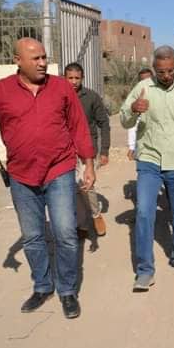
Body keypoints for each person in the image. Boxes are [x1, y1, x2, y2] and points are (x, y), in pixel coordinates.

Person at [0, 38, 95, 319]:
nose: (43, 63)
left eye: (44, 57)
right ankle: (42, 286)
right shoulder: (1, 91)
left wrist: (88, 163)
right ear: (17, 60)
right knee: (32, 236)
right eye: (36, 58)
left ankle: (67, 290)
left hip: (59, 170)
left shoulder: (61, 88)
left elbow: (78, 127)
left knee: (66, 233)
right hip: (22, 176)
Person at [120, 45, 174, 292]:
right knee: (144, 213)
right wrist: (133, 110)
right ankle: (145, 270)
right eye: (161, 72)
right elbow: (124, 119)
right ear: (154, 68)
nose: (166, 76)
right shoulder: (143, 88)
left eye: (170, 71)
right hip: (150, 161)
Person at [64, 62, 110, 237]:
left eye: (77, 78)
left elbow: (104, 123)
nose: (73, 81)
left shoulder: (91, 97)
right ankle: (81, 224)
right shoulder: (59, 96)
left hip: (87, 148)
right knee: (73, 187)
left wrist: (104, 150)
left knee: (86, 183)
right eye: (70, 78)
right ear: (64, 78)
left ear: (82, 78)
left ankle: (96, 215)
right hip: (66, 148)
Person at [127, 67, 154, 161]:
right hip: (143, 145)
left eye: (148, 80)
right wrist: (131, 147)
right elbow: (133, 124)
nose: (146, 83)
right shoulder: (136, 100)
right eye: (143, 81)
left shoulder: (163, 95)